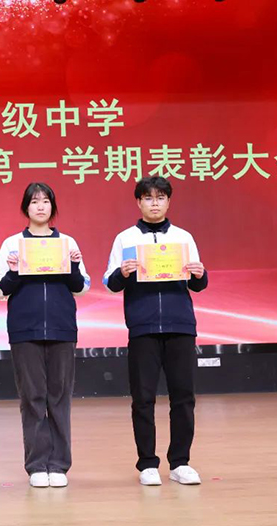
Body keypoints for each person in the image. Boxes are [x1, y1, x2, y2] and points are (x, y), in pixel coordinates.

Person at [103, 176, 208, 486]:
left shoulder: (183, 237)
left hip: (180, 326)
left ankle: (180, 462)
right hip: (143, 327)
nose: (154, 203)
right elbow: (110, 283)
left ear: (169, 201)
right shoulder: (125, 238)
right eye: (148, 198)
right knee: (143, 398)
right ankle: (147, 464)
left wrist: (200, 274)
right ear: (138, 202)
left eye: (160, 197)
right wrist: (122, 273)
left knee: (183, 397)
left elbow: (198, 284)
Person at [0, 182, 90, 489]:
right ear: (26, 208)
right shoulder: (12, 244)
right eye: (34, 202)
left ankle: (58, 465)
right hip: (25, 330)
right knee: (32, 398)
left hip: (62, 328)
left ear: (52, 206)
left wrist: (73, 265)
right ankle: (36, 465)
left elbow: (81, 287)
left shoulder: (67, 242)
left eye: (46, 201)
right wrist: (13, 270)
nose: (41, 206)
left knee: (59, 397)